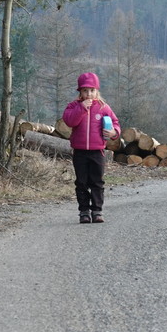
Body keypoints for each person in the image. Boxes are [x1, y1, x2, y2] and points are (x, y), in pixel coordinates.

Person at [62, 72, 121, 224]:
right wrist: (81, 108)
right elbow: (70, 121)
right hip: (80, 151)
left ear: (97, 91)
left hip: (97, 151)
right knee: (81, 182)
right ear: (80, 92)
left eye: (92, 90)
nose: (89, 94)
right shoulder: (73, 106)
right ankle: (84, 212)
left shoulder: (103, 108)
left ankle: (97, 210)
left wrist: (114, 132)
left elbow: (115, 123)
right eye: (85, 91)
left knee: (97, 181)